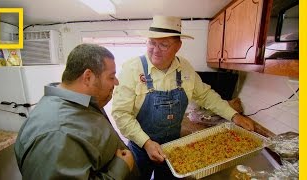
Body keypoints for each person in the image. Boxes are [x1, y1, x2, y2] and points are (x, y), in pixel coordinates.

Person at [111, 15, 255, 179]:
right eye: (152, 42)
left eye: (164, 45)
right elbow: (121, 114)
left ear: (178, 46)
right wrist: (147, 143)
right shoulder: (132, 69)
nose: (156, 50)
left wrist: (233, 115)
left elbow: (206, 96)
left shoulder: (185, 68)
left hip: (173, 148)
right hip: (140, 147)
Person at [15, 44, 138, 179]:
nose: (116, 82)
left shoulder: (81, 102)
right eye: (111, 77)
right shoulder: (57, 133)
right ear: (88, 77)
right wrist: (120, 168)